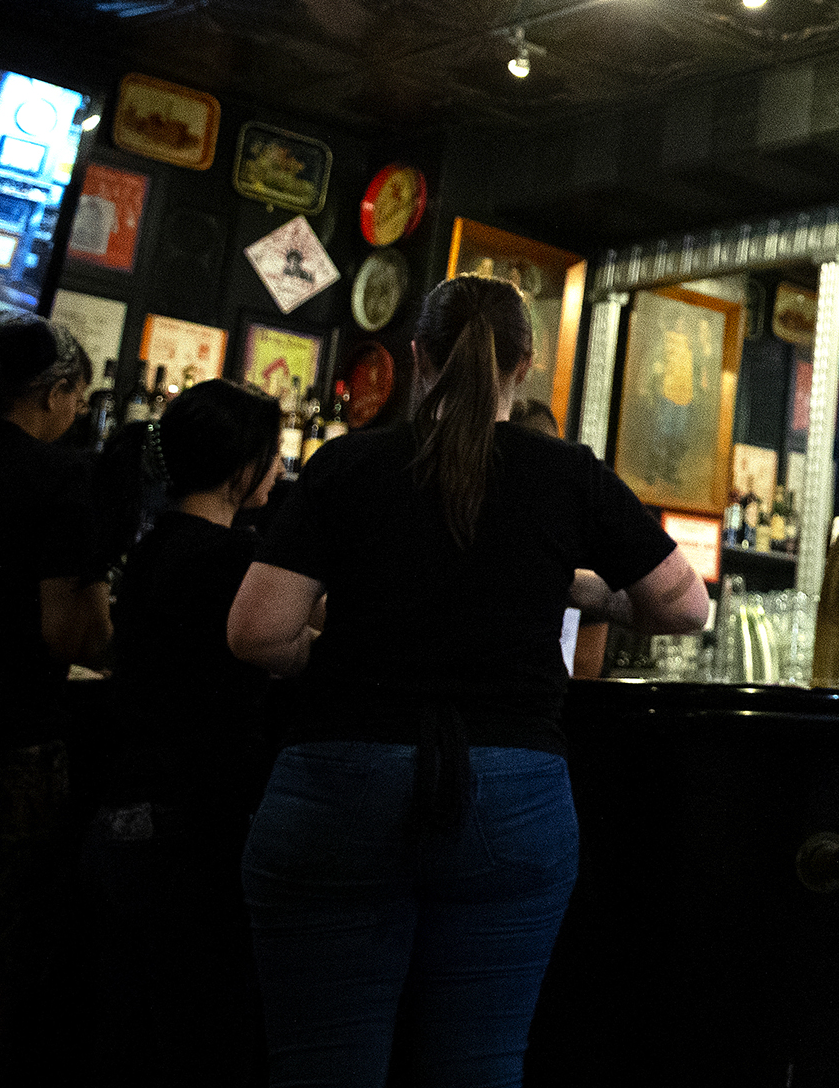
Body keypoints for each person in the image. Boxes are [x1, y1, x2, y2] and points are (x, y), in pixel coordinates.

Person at [228, 275, 709, 1084]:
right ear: (525, 364)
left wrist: (334, 660)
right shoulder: (566, 474)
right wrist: (589, 589)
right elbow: (686, 606)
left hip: (340, 782)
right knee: (479, 1065)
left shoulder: (348, 463)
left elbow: (255, 631)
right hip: (513, 791)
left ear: (418, 355)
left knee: (321, 1066)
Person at [82, 378, 287, 1084]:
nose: (283, 469)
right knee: (198, 1031)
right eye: (275, 454)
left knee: (130, 1027)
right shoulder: (230, 561)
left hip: (127, 808)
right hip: (192, 820)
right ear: (242, 468)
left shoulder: (155, 545)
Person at [0, 311, 102, 1067]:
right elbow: (72, 633)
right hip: (11, 731)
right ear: (53, 392)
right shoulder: (63, 477)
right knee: (5, 921)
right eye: (79, 398)